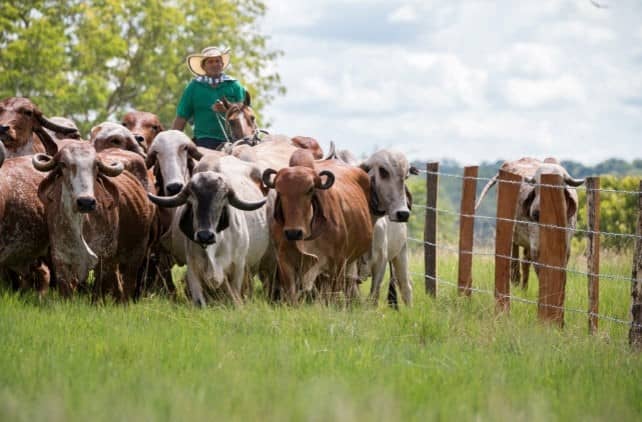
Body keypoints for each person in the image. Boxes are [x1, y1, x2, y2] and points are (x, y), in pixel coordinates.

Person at [172, 46, 247, 150]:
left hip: (235, 141)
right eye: (210, 62)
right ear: (203, 66)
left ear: (222, 64)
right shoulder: (193, 87)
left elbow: (245, 112)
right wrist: (172, 142)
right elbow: (182, 117)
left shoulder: (234, 85)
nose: (215, 64)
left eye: (217, 61)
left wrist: (227, 109)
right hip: (204, 141)